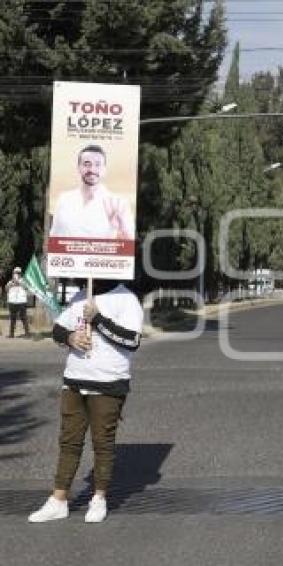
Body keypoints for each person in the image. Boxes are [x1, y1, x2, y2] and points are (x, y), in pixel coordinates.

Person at [28, 279, 143, 524]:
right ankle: (58, 500)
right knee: (68, 441)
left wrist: (98, 320)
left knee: (103, 443)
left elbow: (132, 340)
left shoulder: (127, 299)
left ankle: (98, 499)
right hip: (74, 379)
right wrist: (70, 338)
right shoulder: (80, 295)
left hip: (108, 382)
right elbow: (58, 329)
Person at [49, 145, 134, 239]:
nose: (92, 170)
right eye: (86, 164)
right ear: (78, 168)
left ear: (104, 169)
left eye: (97, 164)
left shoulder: (119, 203)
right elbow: (54, 237)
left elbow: (129, 244)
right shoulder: (64, 199)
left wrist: (119, 227)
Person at [5, 266, 30, 338]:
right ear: (13, 273)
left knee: (24, 318)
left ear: (21, 274)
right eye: (15, 272)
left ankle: (27, 333)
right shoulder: (10, 282)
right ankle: (11, 334)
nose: (17, 274)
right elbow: (6, 289)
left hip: (21, 301)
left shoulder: (24, 281)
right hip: (12, 301)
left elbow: (26, 287)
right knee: (12, 318)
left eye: (18, 273)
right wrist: (12, 283)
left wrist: (19, 282)